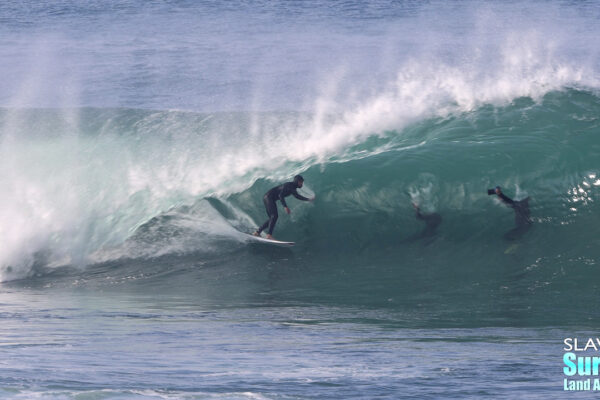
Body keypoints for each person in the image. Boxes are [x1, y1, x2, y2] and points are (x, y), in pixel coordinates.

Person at [253, 175, 313, 239]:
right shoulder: (289, 185)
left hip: (268, 198)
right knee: (274, 216)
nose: (302, 184)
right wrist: (285, 207)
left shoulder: (293, 188)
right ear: (297, 181)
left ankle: (257, 232)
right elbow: (280, 195)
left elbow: (297, 196)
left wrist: (308, 199)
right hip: (269, 197)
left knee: (272, 218)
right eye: (301, 182)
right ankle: (269, 235)